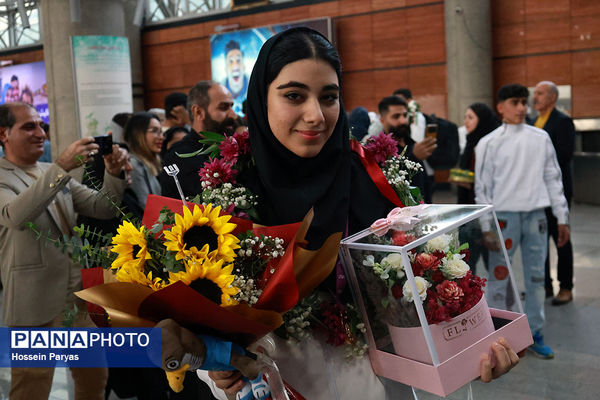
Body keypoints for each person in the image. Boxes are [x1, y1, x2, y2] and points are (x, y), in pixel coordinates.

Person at [200, 27, 519, 399]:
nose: (315, 115)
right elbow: (203, 316)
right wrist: (217, 365)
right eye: (293, 96)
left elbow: (429, 293)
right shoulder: (228, 199)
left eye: (329, 96)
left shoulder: (371, 181)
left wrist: (475, 351)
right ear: (261, 99)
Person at [0, 101, 130, 400]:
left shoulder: (50, 172)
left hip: (76, 301)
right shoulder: (9, 175)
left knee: (94, 380)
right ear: (3, 133)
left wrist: (113, 172)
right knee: (31, 388)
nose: (40, 133)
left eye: (41, 126)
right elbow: (15, 216)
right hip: (33, 303)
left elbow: (102, 208)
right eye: (28, 126)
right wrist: (61, 168)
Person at [475, 84, 570, 359]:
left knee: (538, 277)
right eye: (515, 102)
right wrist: (486, 226)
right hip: (503, 219)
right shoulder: (488, 143)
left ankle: (535, 331)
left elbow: (554, 178)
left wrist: (562, 218)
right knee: (499, 279)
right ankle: (500, 335)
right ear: (500, 106)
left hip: (536, 217)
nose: (521, 108)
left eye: (524, 102)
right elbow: (483, 188)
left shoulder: (540, 138)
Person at [531, 81, 576, 305]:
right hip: (537, 192)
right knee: (539, 239)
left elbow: (564, 155)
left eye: (539, 93)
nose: (535, 97)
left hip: (557, 190)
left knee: (560, 238)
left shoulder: (562, 121)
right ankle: (545, 285)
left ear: (552, 97)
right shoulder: (531, 122)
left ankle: (566, 286)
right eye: (535, 93)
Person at [159, 81, 238, 200]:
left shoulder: (234, 149)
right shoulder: (179, 157)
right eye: (224, 107)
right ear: (198, 112)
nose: (233, 115)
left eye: (232, 106)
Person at [457, 103, 500, 204]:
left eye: (470, 118)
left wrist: (471, 183)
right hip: (469, 199)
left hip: (488, 201)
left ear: (482, 120)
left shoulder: (492, 143)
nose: (466, 121)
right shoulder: (471, 140)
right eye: (465, 117)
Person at [123, 111, 163, 212]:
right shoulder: (133, 165)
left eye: (161, 132)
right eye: (154, 131)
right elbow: (146, 208)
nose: (161, 137)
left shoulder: (147, 164)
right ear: (138, 134)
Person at [224, 39, 249, 114]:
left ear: (244, 67)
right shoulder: (218, 93)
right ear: (225, 68)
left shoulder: (256, 87)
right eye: (231, 61)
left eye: (238, 60)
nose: (235, 67)